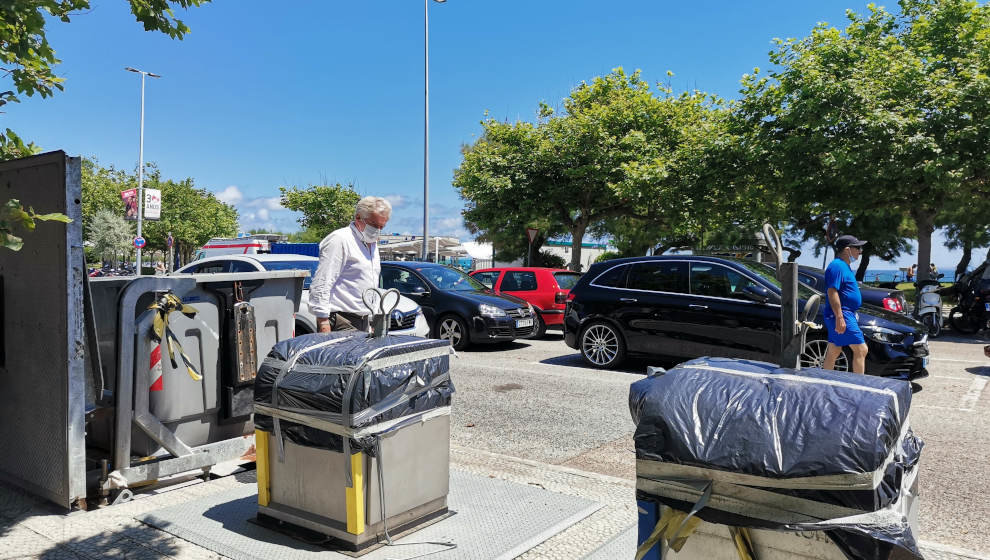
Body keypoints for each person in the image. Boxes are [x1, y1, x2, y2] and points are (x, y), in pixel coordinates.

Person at [308, 196, 392, 333]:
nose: (377, 231)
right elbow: (322, 281)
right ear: (358, 217)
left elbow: (368, 283)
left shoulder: (372, 244)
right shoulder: (340, 239)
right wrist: (323, 322)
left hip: (363, 320)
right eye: (374, 225)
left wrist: (371, 319)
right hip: (341, 320)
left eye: (381, 227)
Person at [823, 235, 869, 374]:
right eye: (858, 248)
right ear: (847, 249)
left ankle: (823, 380)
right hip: (842, 313)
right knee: (861, 349)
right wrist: (840, 317)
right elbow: (832, 291)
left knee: (834, 350)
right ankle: (858, 387)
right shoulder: (837, 266)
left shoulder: (844, 266)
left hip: (845, 313)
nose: (860, 252)